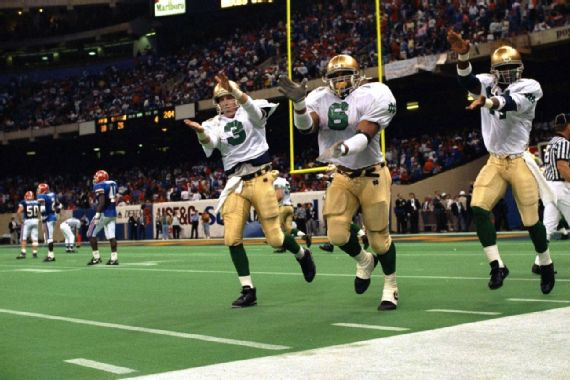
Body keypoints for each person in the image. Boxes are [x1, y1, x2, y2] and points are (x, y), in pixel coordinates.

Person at [184, 71, 315, 307]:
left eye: (229, 97)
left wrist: (236, 91)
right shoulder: (212, 124)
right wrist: (201, 133)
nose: (226, 102)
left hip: (261, 177)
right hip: (236, 182)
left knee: (275, 239)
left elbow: (253, 109)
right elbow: (211, 144)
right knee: (232, 238)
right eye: (221, 99)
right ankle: (248, 289)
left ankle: (302, 255)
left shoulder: (251, 111)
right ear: (217, 104)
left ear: (236, 96)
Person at [279, 54, 399, 310]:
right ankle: (365, 261)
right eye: (335, 77)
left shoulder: (375, 93)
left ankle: (390, 285)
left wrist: (342, 148)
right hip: (344, 175)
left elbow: (367, 132)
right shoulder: (319, 97)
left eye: (345, 75)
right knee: (336, 235)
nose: (341, 81)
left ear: (357, 75)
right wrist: (299, 104)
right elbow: (305, 128)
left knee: (379, 239)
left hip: (372, 173)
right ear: (327, 80)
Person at [448, 30, 555, 294]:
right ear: (495, 70)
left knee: (531, 221)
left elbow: (507, 103)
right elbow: (467, 82)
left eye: (511, 68)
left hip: (519, 159)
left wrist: (486, 101)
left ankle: (546, 263)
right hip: (495, 160)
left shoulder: (530, 87)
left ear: (520, 69)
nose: (507, 73)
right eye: (502, 68)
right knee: (478, 208)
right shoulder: (487, 81)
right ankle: (497, 265)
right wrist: (463, 55)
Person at [532, 113, 570, 274]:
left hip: (550, 187)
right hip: (560, 187)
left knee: (548, 227)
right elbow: (562, 166)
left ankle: (539, 263)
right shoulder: (563, 143)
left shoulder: (552, 142)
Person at [86, 170, 119, 266]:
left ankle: (96, 257)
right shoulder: (113, 183)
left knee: (90, 233)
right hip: (112, 213)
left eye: (96, 177)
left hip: (104, 213)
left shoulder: (100, 185)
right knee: (111, 236)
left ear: (101, 178)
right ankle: (114, 258)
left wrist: (97, 214)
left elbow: (102, 202)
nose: (95, 179)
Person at [273, 176, 312, 253]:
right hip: (290, 206)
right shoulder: (285, 181)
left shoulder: (278, 181)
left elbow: (279, 196)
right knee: (289, 228)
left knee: (278, 227)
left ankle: (283, 246)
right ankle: (304, 235)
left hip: (282, 207)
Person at [36, 183, 61, 262]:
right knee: (49, 237)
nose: (38, 190)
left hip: (48, 218)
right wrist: (57, 212)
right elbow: (59, 205)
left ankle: (51, 255)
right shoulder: (51, 195)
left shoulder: (42, 196)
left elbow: (43, 209)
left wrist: (43, 218)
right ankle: (50, 254)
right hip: (53, 216)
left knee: (49, 238)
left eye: (39, 189)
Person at [15, 191, 39, 259]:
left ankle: (23, 253)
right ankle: (34, 253)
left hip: (27, 221)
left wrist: (20, 221)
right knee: (34, 238)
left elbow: (18, 212)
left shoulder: (24, 202)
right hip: (35, 220)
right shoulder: (37, 202)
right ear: (33, 196)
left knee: (24, 238)